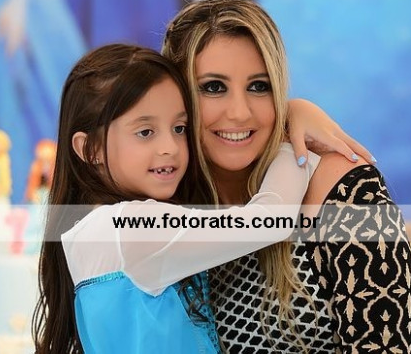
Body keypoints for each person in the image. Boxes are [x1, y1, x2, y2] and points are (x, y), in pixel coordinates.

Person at [162, 0, 411, 353]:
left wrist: (293, 113)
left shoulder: (341, 187)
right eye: (214, 87)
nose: (240, 112)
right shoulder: (158, 205)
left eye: (259, 86)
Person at [32, 44, 320, 353]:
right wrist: (291, 139)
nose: (170, 147)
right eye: (145, 132)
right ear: (91, 149)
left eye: (179, 128)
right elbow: (269, 221)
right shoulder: (128, 230)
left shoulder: (94, 233)